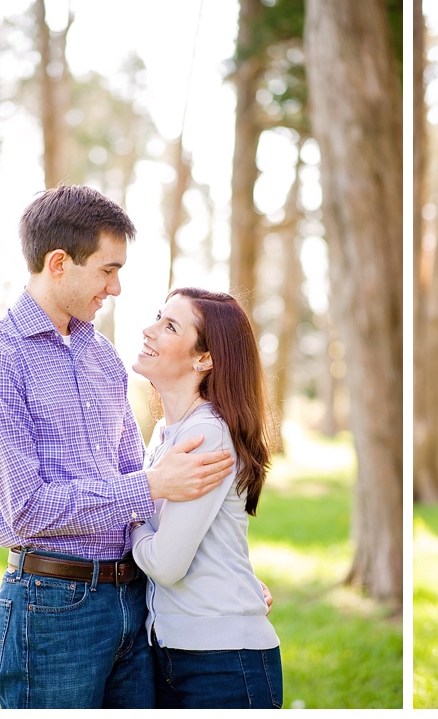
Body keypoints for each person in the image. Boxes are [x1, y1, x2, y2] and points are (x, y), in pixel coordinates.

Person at [0, 185, 239, 709]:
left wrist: (221, 583)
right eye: (108, 270)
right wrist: (150, 484)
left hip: (134, 597)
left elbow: (139, 490)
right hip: (54, 607)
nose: (117, 288)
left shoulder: (104, 359)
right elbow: (27, 509)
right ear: (59, 262)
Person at [130, 288, 283, 709]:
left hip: (223, 665)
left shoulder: (207, 434)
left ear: (205, 359)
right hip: (173, 654)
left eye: (170, 326)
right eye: (158, 317)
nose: (149, 330)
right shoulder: (165, 434)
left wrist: (129, 510)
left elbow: (165, 564)